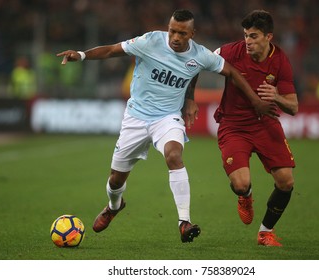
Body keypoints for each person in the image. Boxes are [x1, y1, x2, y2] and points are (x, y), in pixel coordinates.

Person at [56, 9, 277, 243]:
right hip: (136, 118)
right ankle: (114, 206)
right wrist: (80, 55)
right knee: (115, 180)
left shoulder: (201, 55)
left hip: (167, 118)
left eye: (182, 33)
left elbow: (230, 71)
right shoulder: (150, 41)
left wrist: (255, 101)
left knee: (174, 155)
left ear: (192, 34)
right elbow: (112, 50)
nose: (175, 37)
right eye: (172, 30)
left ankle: (184, 222)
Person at [212, 10, 298, 246]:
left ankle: (265, 232)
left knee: (286, 181)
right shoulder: (231, 51)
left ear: (268, 37)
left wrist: (277, 97)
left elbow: (293, 107)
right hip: (234, 126)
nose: (247, 41)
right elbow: (197, 62)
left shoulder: (280, 61)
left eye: (253, 36)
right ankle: (245, 196)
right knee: (240, 184)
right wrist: (189, 99)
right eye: (246, 36)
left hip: (265, 124)